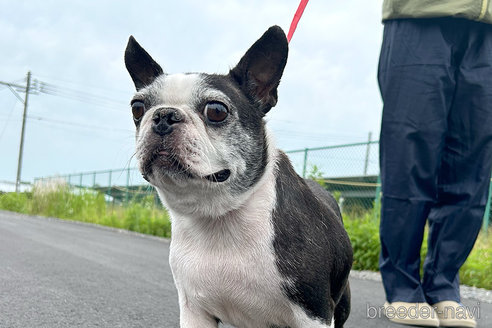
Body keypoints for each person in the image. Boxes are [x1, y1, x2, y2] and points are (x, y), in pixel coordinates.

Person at [378, 1, 492, 327]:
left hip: (488, 30)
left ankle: (443, 286)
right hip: (420, 16)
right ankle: (402, 286)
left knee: (473, 161)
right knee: (410, 152)